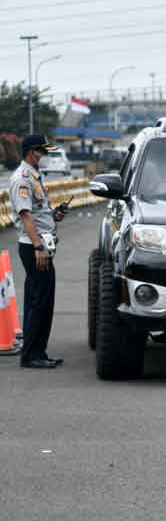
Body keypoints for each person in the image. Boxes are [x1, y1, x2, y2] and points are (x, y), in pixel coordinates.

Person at [8, 135, 67, 370]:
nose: (45, 156)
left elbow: (39, 212)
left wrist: (55, 215)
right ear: (32, 152)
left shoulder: (34, 176)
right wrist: (38, 247)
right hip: (35, 247)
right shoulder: (22, 179)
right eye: (42, 152)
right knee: (39, 301)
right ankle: (31, 354)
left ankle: (38, 351)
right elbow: (25, 216)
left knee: (42, 299)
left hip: (40, 244)